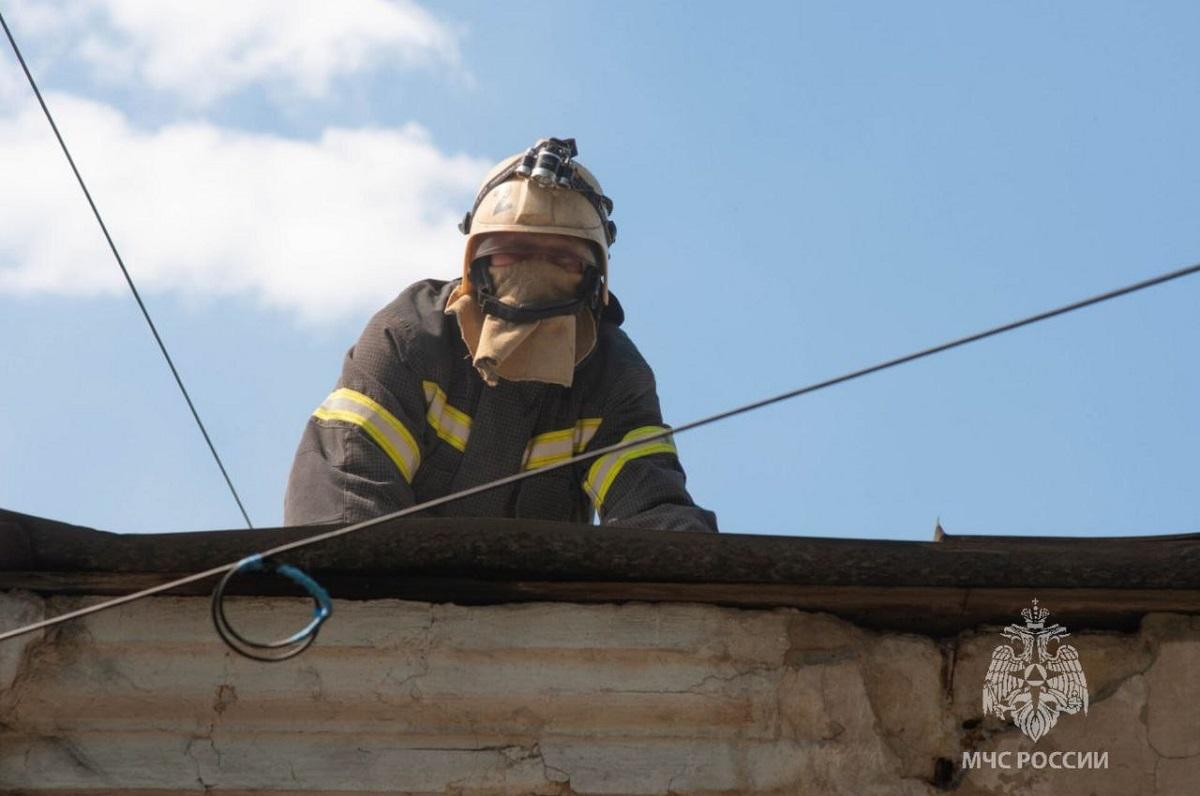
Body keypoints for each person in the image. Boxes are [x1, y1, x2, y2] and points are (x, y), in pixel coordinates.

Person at [284, 138, 717, 533]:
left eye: (561, 259)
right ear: (474, 263)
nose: (534, 271)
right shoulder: (411, 339)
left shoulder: (612, 377)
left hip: (536, 609)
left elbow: (650, 509)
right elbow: (345, 489)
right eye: (513, 251)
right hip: (399, 594)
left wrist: (702, 572)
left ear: (594, 281)